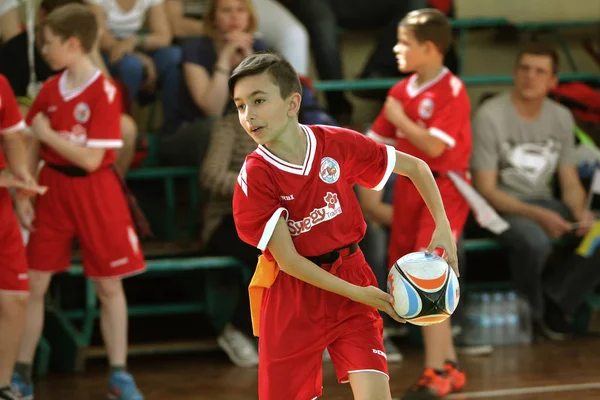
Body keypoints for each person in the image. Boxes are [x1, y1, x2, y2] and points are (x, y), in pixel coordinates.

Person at [229, 52, 459, 400]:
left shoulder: (336, 143)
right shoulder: (256, 175)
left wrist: (443, 226)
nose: (249, 115)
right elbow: (290, 261)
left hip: (351, 272)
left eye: (259, 100)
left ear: (293, 103)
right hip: (294, 294)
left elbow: (417, 168)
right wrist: (361, 295)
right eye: (240, 105)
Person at [10, 5, 146, 400]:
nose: (44, 51)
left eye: (48, 44)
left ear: (73, 44)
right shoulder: (51, 89)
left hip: (95, 191)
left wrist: (48, 135)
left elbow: (89, 158)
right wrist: (25, 191)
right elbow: (33, 141)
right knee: (34, 284)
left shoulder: (105, 91)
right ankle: (20, 373)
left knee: (109, 287)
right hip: (52, 190)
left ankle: (119, 374)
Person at [360, 9, 470, 399]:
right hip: (407, 192)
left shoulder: (450, 90)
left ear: (429, 48)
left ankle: (436, 370)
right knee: (409, 274)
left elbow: (434, 147)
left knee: (430, 276)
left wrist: (401, 120)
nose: (395, 49)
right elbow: (372, 146)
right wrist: (368, 198)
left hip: (442, 191)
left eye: (404, 42)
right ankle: (451, 366)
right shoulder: (401, 92)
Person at [471, 44, 600, 340]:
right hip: (501, 206)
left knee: (598, 230)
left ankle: (556, 302)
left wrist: (581, 213)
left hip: (545, 201)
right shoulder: (489, 116)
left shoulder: (561, 117)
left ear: (553, 81)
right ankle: (534, 317)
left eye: (540, 71)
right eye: (525, 69)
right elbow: (485, 189)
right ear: (514, 73)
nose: (531, 77)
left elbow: (569, 180)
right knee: (535, 241)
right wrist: (540, 215)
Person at [0, 0, 139, 176]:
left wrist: (91, 50)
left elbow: (107, 94)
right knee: (25, 121)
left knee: (126, 127)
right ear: (43, 17)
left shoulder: (82, 56)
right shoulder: (17, 49)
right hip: (44, 121)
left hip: (80, 122)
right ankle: (27, 189)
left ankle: (111, 184)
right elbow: (11, 109)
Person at [160, 0, 267, 167]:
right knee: (219, 128)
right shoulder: (195, 48)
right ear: (213, 18)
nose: (234, 16)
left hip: (233, 131)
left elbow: (263, 105)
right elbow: (212, 109)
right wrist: (225, 58)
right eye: (226, 10)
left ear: (249, 18)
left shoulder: (257, 47)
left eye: (240, 10)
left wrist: (249, 60)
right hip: (187, 132)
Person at [0, 73, 45, 400]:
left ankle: (3, 385)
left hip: (3, 210)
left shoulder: (2, 82)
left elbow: (13, 136)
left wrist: (23, 182)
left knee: (15, 298)